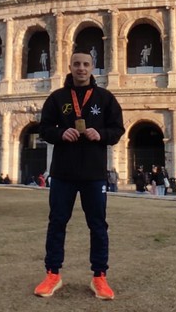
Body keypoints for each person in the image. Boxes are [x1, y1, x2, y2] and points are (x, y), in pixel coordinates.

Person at [34, 49, 124, 300]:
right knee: (57, 223)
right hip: (63, 172)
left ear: (93, 67)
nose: (81, 68)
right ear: (70, 67)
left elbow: (118, 129)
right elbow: (43, 129)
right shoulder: (57, 97)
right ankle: (53, 274)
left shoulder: (105, 98)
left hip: (94, 173)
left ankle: (99, 276)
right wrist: (60, 133)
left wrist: (101, 135)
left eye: (85, 64)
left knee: (97, 225)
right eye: (76, 64)